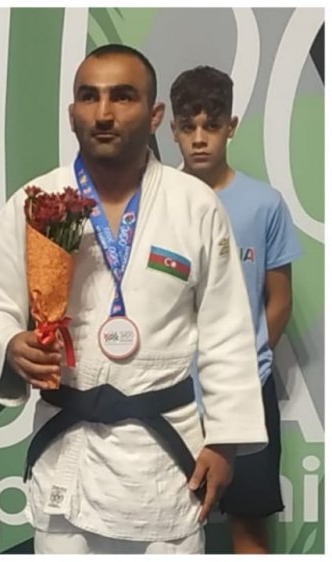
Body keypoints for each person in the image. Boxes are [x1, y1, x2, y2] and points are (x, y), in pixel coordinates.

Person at [0, 44, 267, 554]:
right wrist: (10, 342)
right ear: (72, 113)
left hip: (163, 457)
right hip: (69, 454)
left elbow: (227, 328)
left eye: (123, 97)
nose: (103, 113)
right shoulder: (40, 201)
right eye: (90, 97)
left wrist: (225, 440)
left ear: (154, 114)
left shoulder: (194, 204)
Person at [169, 65, 301, 554]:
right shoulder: (158, 201)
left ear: (232, 126)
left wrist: (247, 363)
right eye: (189, 127)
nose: (199, 138)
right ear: (173, 129)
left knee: (248, 528)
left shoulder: (264, 204)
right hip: (171, 391)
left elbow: (279, 299)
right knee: (168, 527)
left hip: (245, 390)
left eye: (212, 125)